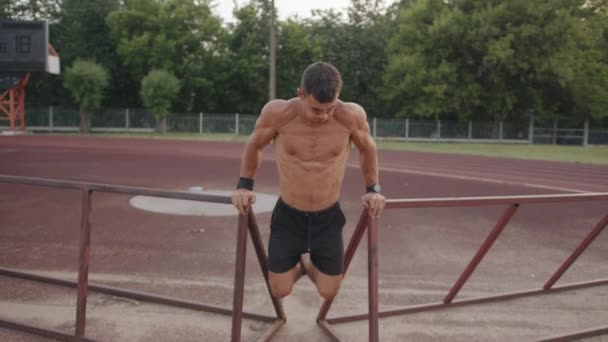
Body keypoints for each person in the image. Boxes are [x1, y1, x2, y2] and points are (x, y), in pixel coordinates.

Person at [231, 62, 385, 301]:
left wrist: (373, 189)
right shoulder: (279, 114)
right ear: (300, 94)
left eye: (329, 108)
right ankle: (299, 267)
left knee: (329, 292)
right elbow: (255, 144)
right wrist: (244, 185)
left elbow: (368, 148)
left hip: (328, 217)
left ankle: (308, 266)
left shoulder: (350, 117)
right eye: (316, 109)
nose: (324, 116)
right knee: (280, 290)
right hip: (289, 216)